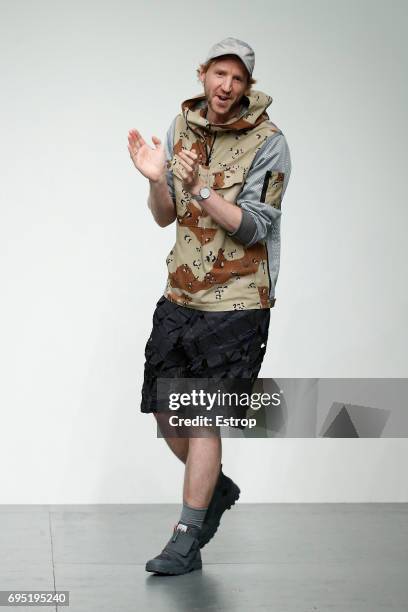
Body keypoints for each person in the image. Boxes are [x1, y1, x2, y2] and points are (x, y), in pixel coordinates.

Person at [127, 37, 291, 575]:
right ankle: (214, 490)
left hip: (239, 301)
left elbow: (253, 226)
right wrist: (158, 182)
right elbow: (163, 215)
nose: (226, 86)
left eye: (237, 78)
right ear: (202, 74)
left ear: (248, 86)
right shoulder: (181, 130)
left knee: (201, 419)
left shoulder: (270, 143)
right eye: (218, 74)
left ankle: (185, 537)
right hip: (180, 293)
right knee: (165, 411)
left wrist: (200, 189)